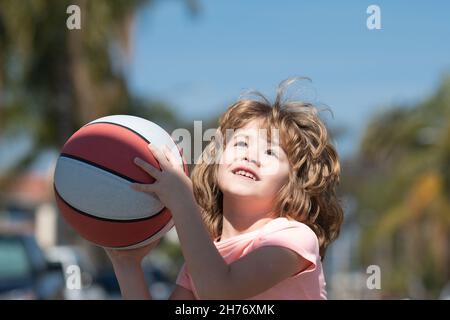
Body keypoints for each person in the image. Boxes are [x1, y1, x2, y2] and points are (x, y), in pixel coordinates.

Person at [105, 78, 343, 300]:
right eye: (241, 143)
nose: (251, 156)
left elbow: (219, 292)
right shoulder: (204, 255)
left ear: (293, 184)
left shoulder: (294, 237)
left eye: (270, 152)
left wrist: (183, 201)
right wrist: (127, 265)